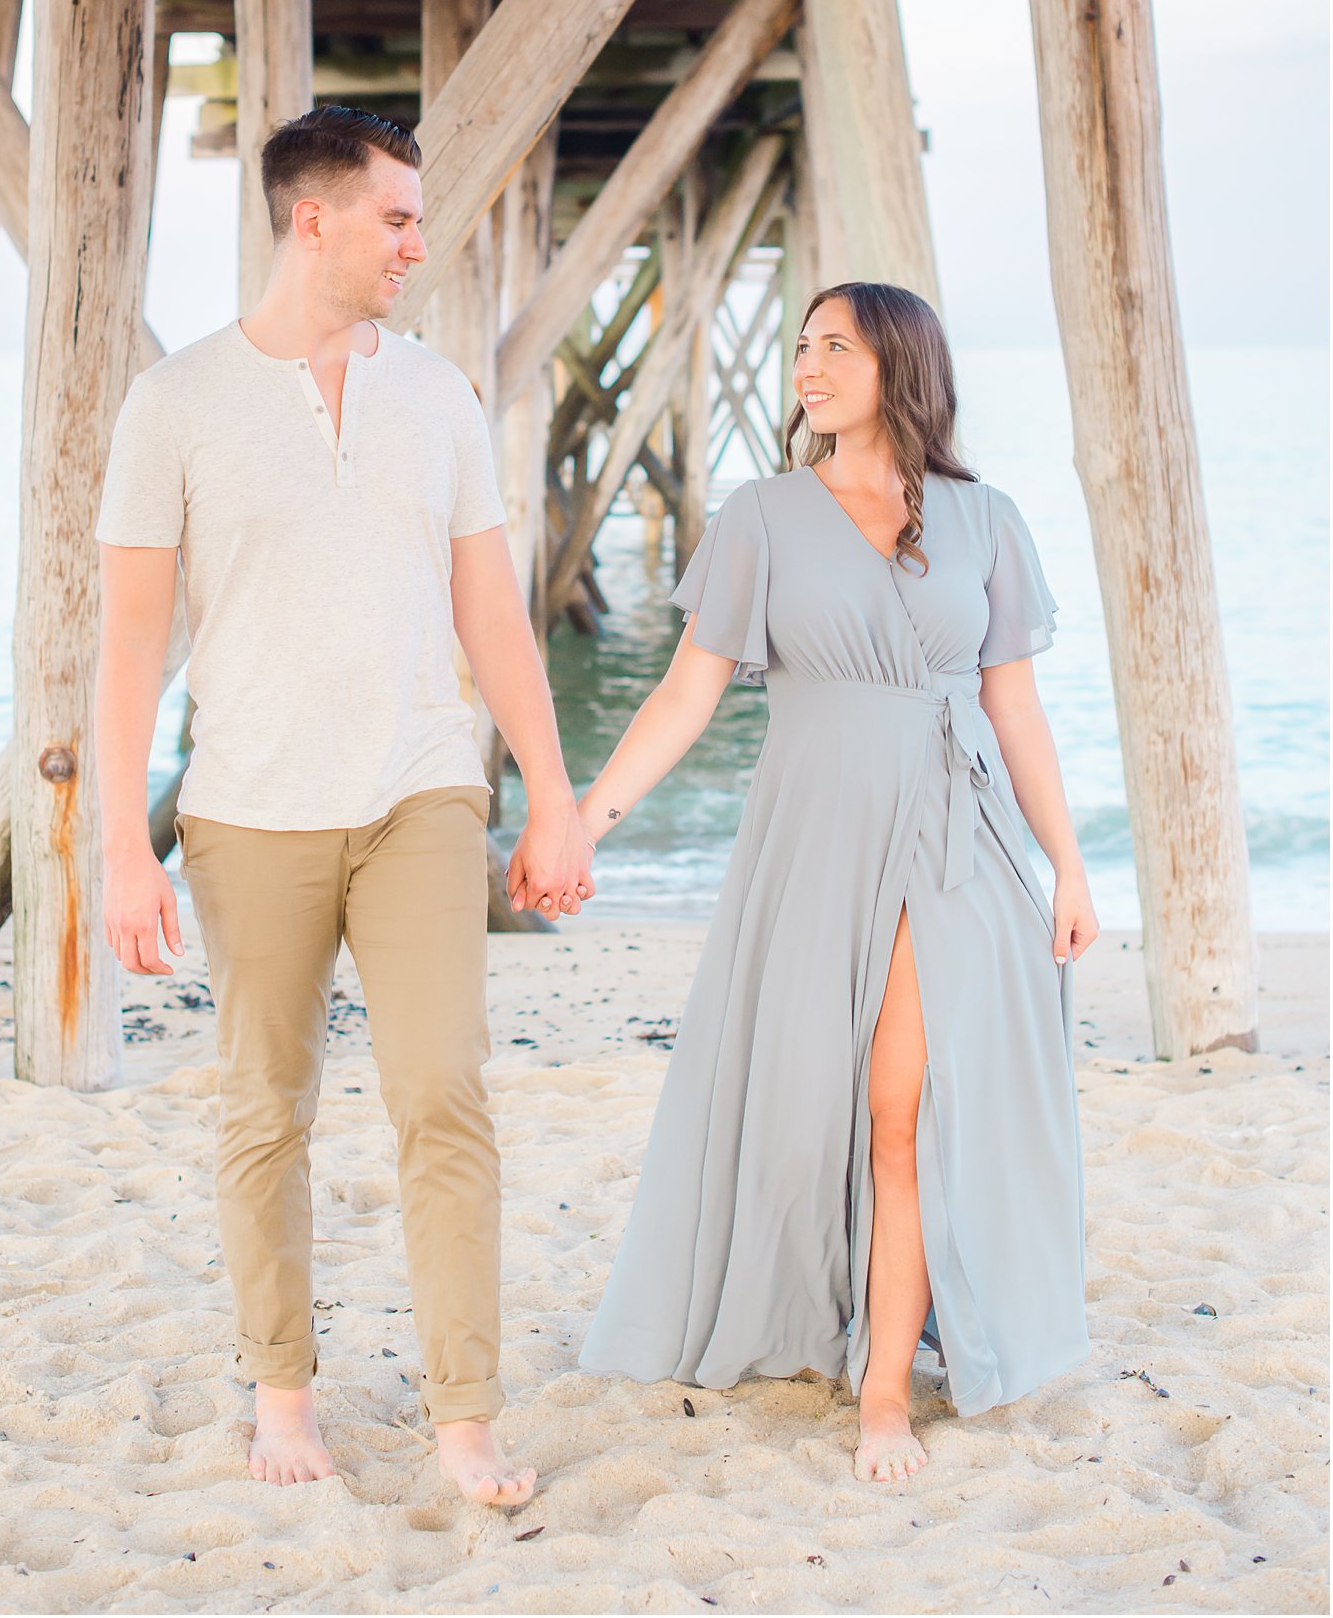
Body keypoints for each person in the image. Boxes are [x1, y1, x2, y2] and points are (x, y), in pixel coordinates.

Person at [93, 105, 591, 1504]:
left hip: (422, 790)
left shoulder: (436, 396)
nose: (418, 245)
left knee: (446, 1096)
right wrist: (121, 845)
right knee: (265, 1111)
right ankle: (283, 1398)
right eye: (398, 218)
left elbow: (490, 609)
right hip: (246, 810)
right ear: (313, 220)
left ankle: (465, 1417)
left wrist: (549, 797)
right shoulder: (174, 404)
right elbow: (132, 642)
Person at [563, 282, 1097, 1485]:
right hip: (814, 839)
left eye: (833, 347)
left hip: (958, 838)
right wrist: (587, 820)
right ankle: (818, 1313)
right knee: (812, 1106)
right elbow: (688, 692)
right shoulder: (760, 515)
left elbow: (1013, 704)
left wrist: (1066, 864)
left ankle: (884, 1391)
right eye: (799, 346)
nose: (806, 366)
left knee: (900, 1113)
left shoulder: (985, 518)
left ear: (895, 365)